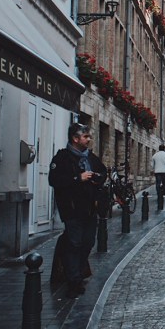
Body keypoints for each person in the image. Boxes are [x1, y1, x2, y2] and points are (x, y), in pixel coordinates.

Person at [48, 123, 107, 298]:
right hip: (72, 209)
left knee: (88, 242)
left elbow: (103, 172)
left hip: (90, 209)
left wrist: (97, 178)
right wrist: (77, 178)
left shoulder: (91, 157)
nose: (89, 139)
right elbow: (54, 180)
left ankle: (79, 272)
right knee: (74, 243)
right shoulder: (62, 158)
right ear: (75, 138)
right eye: (85, 136)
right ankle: (73, 280)